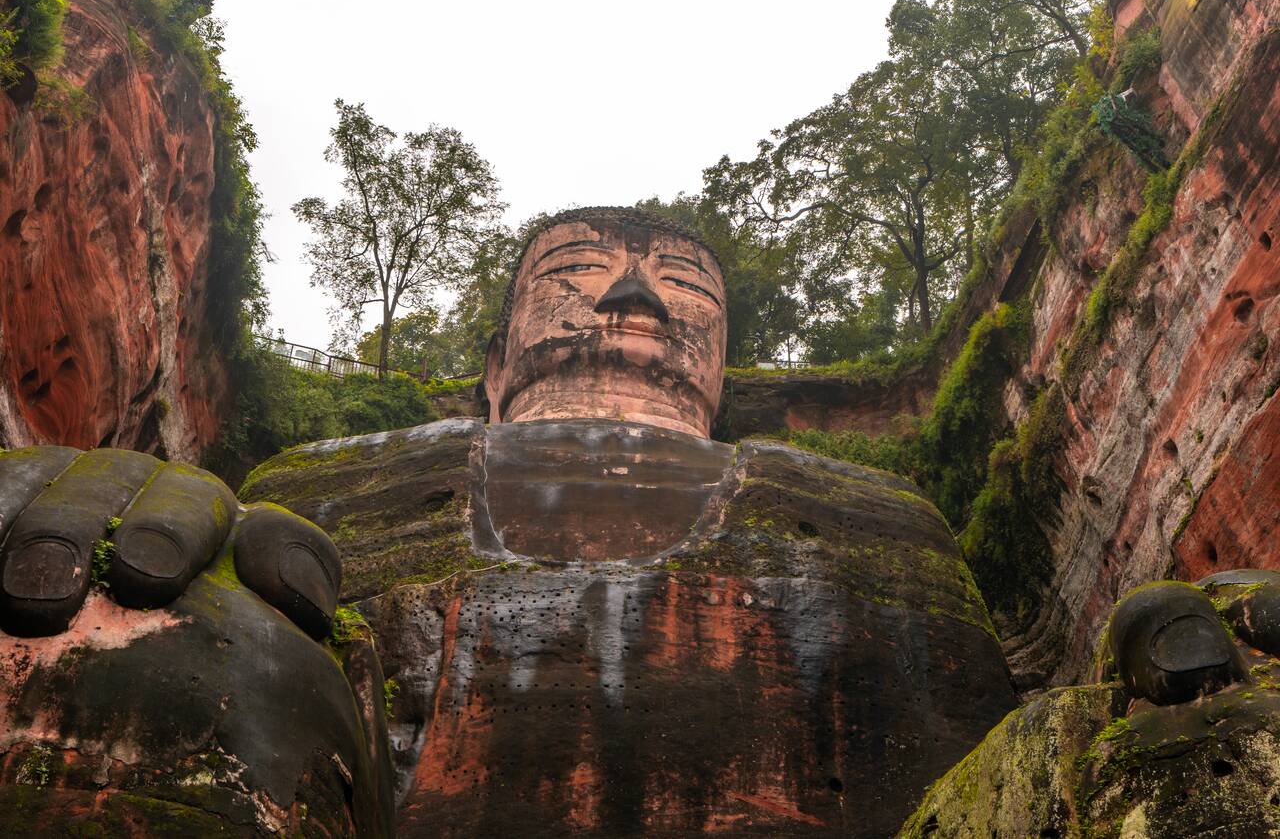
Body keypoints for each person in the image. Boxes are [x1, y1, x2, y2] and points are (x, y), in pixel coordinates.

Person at [0, 208, 1016, 837]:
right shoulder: (323, 493)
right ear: (492, 368)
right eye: (572, 274)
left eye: (684, 287)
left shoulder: (873, 523)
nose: (629, 298)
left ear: (723, 374)